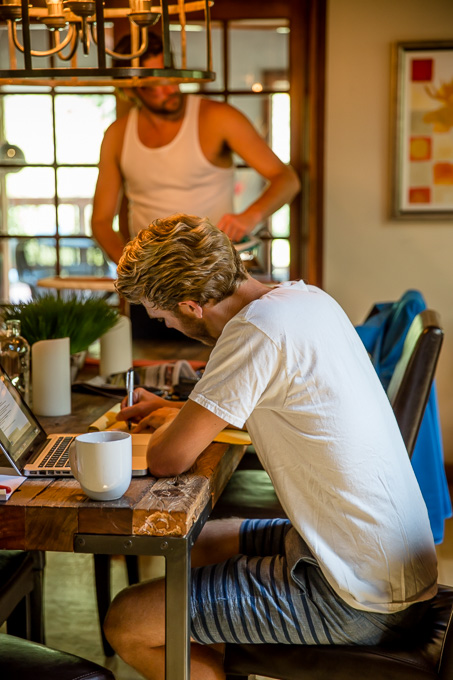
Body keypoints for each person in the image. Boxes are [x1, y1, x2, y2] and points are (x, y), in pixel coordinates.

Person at [105, 214, 437, 680]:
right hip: (379, 562)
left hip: (356, 598)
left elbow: (168, 458)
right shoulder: (303, 299)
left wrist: (167, 427)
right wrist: (177, 411)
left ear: (191, 306)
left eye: (162, 318)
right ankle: (222, 656)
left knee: (128, 621)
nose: (169, 328)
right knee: (198, 543)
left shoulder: (253, 333)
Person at [91, 32, 300, 265]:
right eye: (154, 84)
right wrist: (129, 267)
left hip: (216, 269)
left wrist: (251, 216)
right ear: (131, 90)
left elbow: (287, 179)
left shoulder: (218, 118)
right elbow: (101, 220)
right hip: (154, 277)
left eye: (171, 76)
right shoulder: (117, 135)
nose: (169, 88)